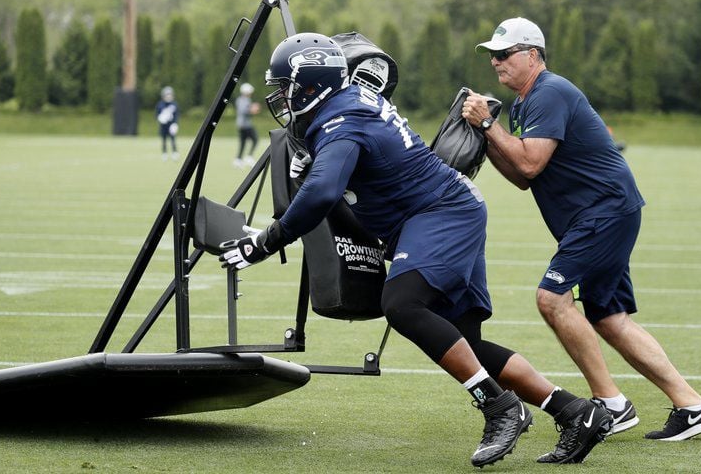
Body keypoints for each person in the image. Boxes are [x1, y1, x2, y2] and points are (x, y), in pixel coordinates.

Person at [219, 32, 613, 467]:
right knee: (465, 344)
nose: (284, 98)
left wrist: (265, 242)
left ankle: (499, 408)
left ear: (313, 84)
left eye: (289, 88)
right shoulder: (345, 106)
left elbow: (321, 194)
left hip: (440, 213)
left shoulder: (342, 119)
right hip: (447, 210)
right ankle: (576, 412)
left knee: (403, 304)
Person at [462, 17, 701, 442]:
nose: (495, 62)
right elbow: (525, 178)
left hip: (603, 213)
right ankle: (692, 405)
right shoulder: (527, 102)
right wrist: (486, 137)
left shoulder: (550, 92)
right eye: (492, 55)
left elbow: (528, 162)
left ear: (533, 55)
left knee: (552, 299)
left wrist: (490, 127)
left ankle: (611, 404)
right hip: (601, 213)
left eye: (504, 54)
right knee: (610, 318)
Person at [234, 82, 260, 168]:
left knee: (243, 142)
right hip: (245, 125)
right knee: (255, 139)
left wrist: (251, 109)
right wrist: (253, 109)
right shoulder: (244, 100)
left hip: (241, 124)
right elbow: (244, 111)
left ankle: (238, 159)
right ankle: (249, 157)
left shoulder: (240, 99)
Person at [156, 86, 179, 161]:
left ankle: (174, 152)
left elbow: (176, 115)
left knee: (173, 139)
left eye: (170, 95)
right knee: (164, 139)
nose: (168, 96)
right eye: (167, 95)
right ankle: (164, 153)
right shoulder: (160, 104)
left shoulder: (174, 104)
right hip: (163, 126)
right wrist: (160, 118)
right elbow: (157, 114)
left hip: (171, 125)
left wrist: (175, 124)